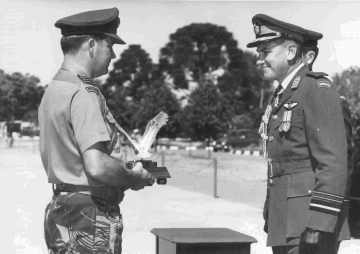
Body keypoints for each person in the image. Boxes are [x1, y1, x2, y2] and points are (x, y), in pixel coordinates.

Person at [38, 7, 155, 254]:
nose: (112, 54)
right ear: (91, 45)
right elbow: (97, 165)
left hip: (63, 208)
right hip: (89, 214)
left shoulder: (55, 88)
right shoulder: (84, 93)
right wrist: (134, 176)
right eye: (109, 45)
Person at [247, 14, 350, 254]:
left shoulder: (315, 89)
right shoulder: (284, 96)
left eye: (265, 51)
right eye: (259, 53)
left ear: (291, 51)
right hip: (286, 219)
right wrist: (271, 211)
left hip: (309, 224)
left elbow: (333, 164)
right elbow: (283, 164)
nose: (259, 60)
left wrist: (319, 225)